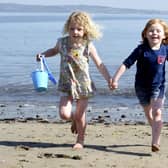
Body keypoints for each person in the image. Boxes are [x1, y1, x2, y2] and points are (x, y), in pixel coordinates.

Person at [36, 11, 111, 149]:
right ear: (67, 28)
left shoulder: (88, 45)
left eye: (79, 29)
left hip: (83, 85)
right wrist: (43, 55)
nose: (75, 32)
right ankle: (74, 120)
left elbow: (99, 64)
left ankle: (80, 140)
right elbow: (53, 50)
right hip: (66, 83)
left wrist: (109, 80)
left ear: (85, 30)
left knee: (80, 114)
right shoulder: (62, 42)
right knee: (64, 114)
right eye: (72, 28)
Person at [111, 18, 168, 152]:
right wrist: (115, 79)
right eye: (151, 31)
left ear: (164, 35)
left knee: (157, 112)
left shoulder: (165, 50)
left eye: (158, 31)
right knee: (148, 113)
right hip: (141, 87)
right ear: (145, 34)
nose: (154, 33)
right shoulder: (141, 50)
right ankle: (155, 130)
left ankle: (155, 142)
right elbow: (126, 64)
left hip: (158, 86)